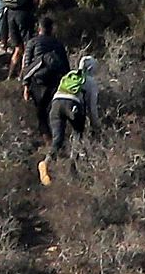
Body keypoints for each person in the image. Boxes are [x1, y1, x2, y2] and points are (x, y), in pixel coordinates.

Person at [39, 56, 100, 186]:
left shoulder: (70, 75)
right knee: (78, 135)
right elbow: (92, 108)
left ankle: (46, 162)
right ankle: (73, 170)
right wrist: (96, 127)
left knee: (58, 139)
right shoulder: (90, 82)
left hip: (55, 105)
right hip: (72, 105)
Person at [18, 15, 68, 131]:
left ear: (39, 28)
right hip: (55, 82)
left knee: (40, 112)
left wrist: (25, 86)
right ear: (52, 28)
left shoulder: (32, 42)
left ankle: (46, 138)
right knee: (54, 112)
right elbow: (66, 67)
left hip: (37, 81)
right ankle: (56, 136)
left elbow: (26, 66)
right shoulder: (58, 44)